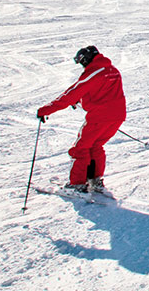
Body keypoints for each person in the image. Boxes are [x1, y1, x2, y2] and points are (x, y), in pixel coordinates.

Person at [37, 45, 126, 195]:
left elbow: (71, 94)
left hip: (100, 117)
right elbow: (100, 91)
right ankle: (95, 180)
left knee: (81, 148)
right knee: (95, 145)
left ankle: (77, 185)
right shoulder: (112, 70)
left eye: (82, 62)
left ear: (87, 59)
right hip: (117, 116)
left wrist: (46, 110)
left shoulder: (94, 72)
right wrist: (80, 100)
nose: (82, 65)